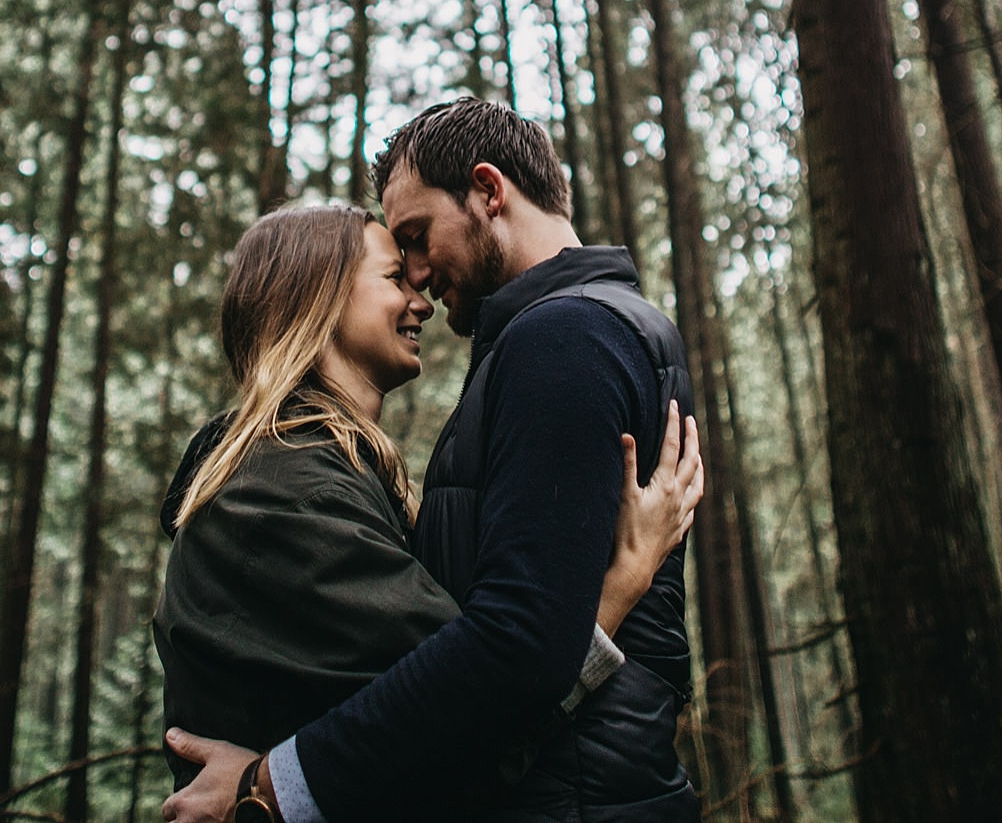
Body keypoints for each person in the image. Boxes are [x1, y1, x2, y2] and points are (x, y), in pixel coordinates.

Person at [165, 99, 703, 823]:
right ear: (316, 305)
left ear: (489, 192)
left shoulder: (564, 337)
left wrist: (267, 787)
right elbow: (471, 680)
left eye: (416, 240)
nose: (418, 280)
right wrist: (612, 592)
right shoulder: (279, 479)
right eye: (395, 269)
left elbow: (497, 667)